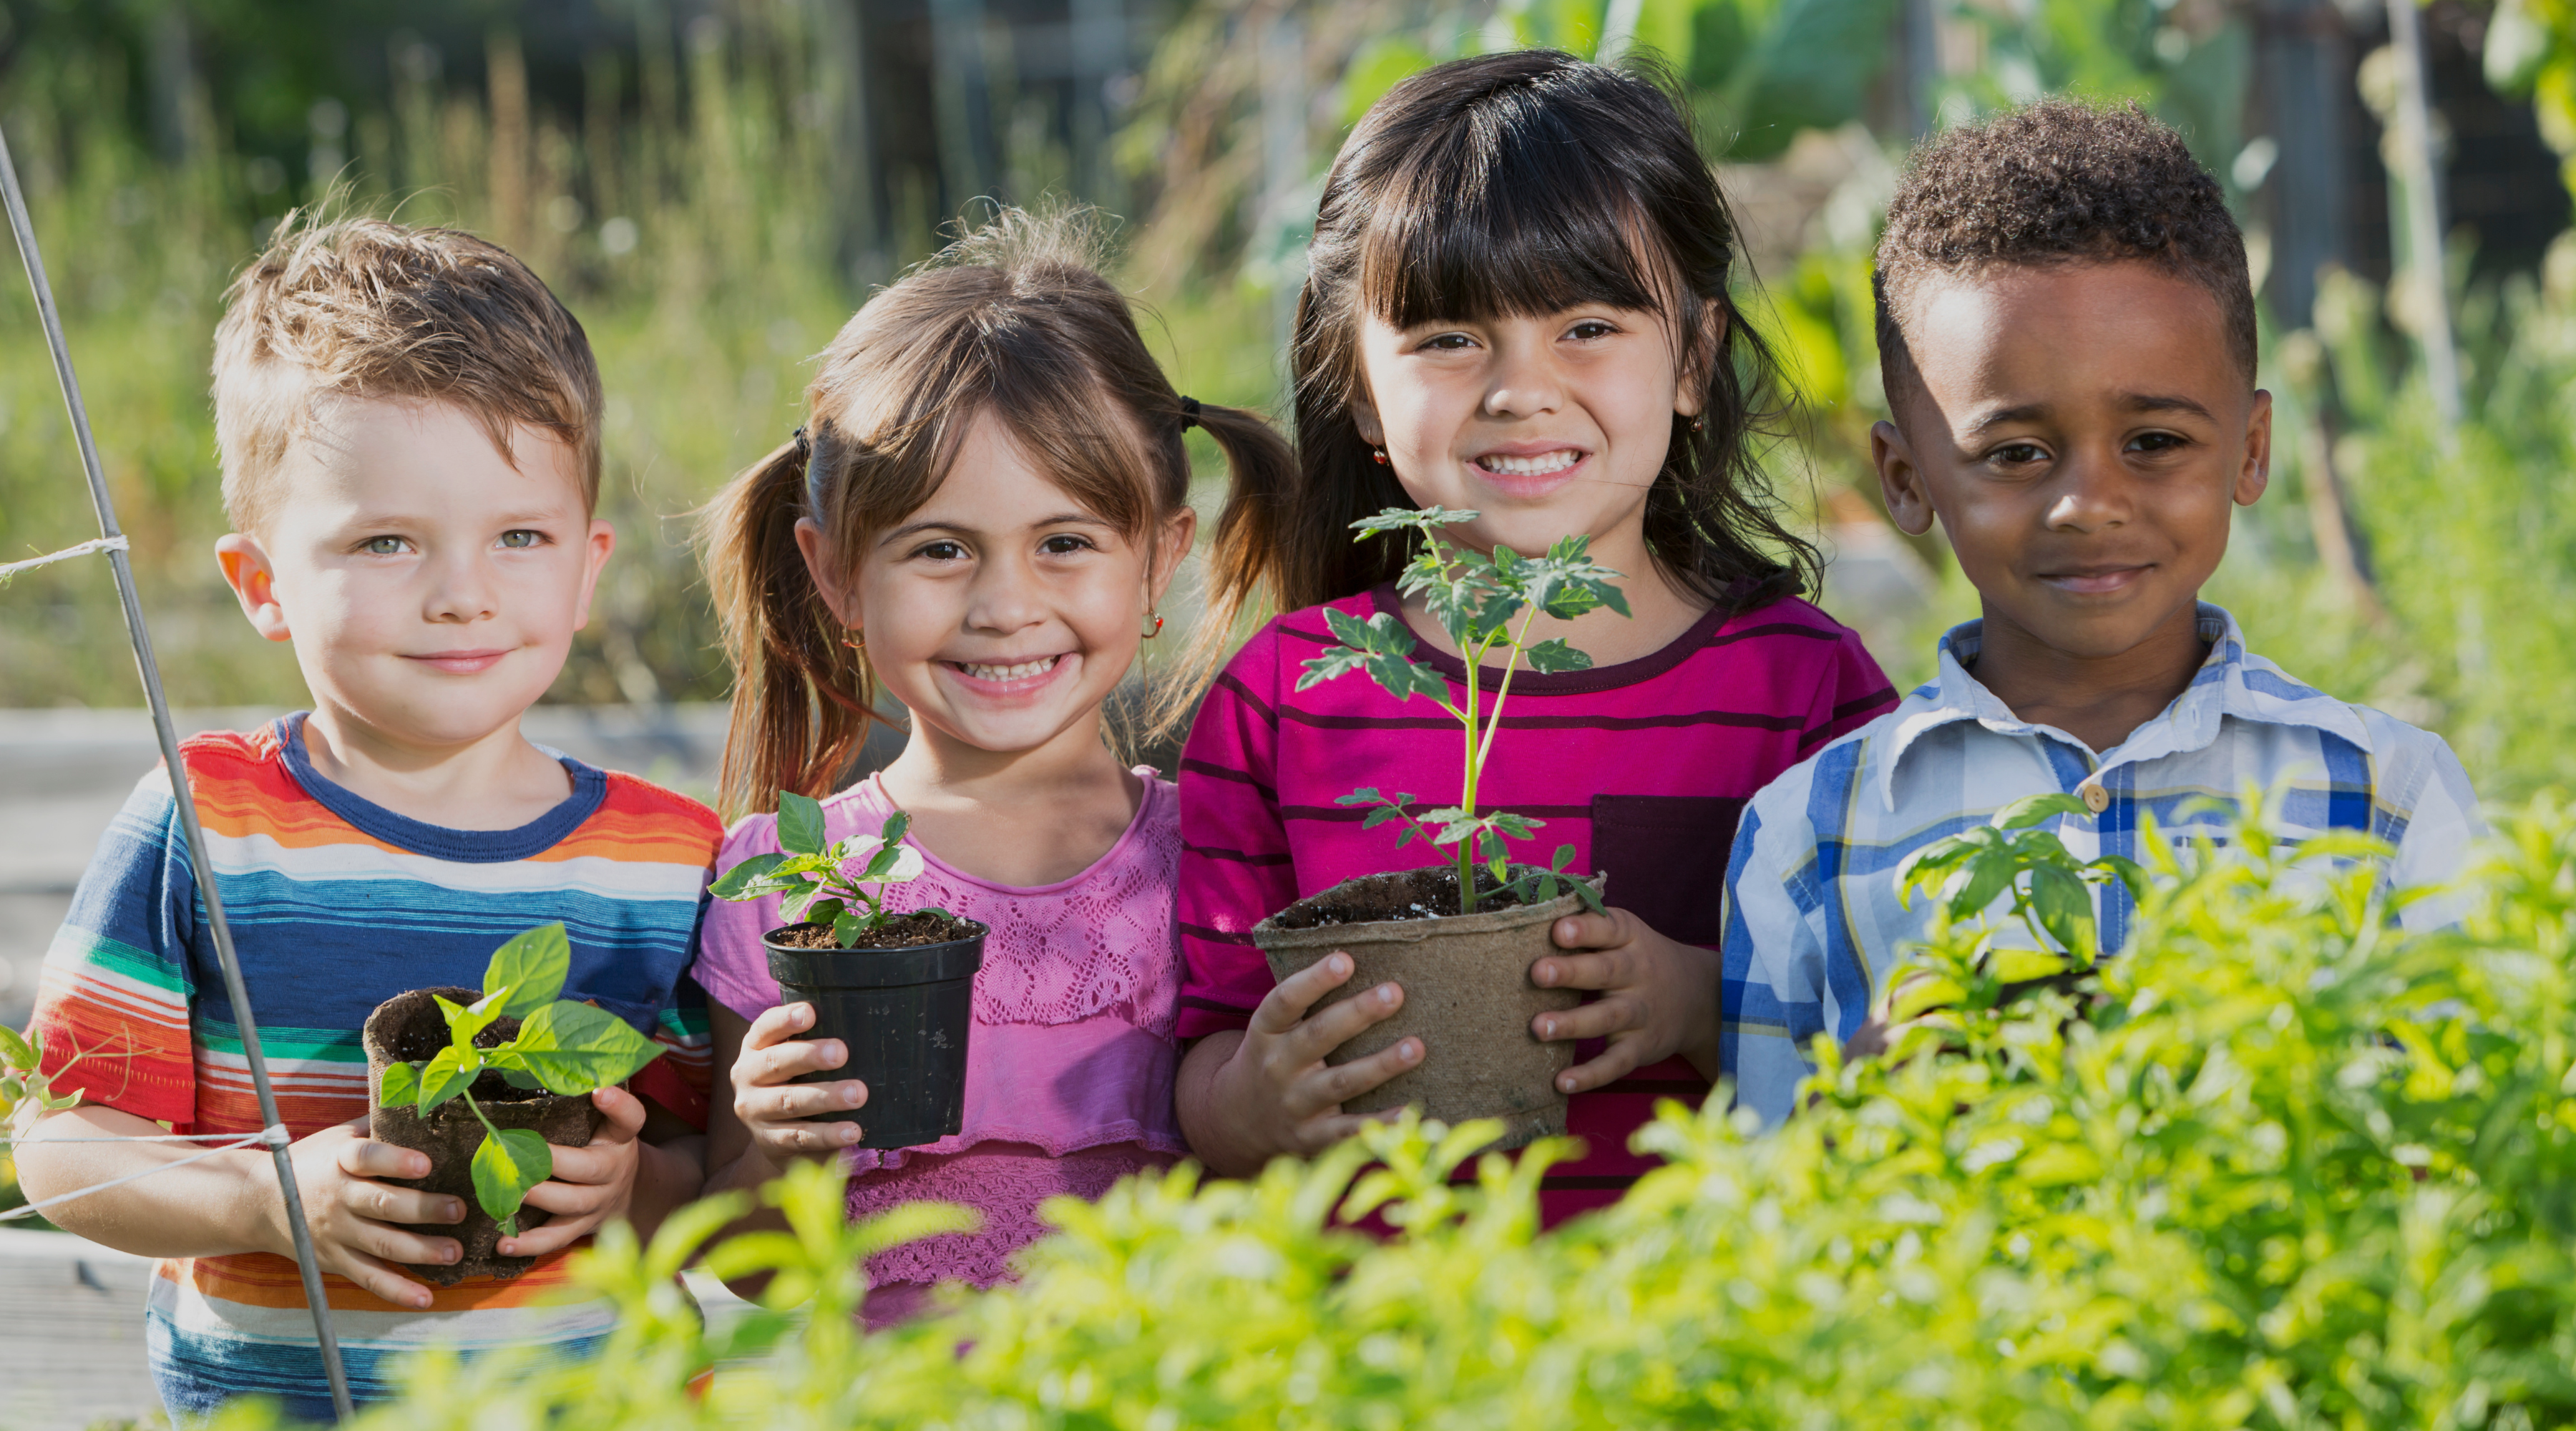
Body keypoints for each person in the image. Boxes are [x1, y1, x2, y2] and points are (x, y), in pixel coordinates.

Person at [1172, 51, 1897, 1225]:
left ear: (1696, 360)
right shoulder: (1285, 698)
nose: (1520, 389)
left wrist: (1702, 1002)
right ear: (1357, 384)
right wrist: (1252, 1106)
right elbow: (1195, 1060)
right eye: (1450, 338)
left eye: (1588, 326)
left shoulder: (1803, 691)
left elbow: (1885, 1051)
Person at [16, 215, 718, 1420]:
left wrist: (631, 1185)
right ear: (262, 584)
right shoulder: (209, 823)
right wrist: (265, 1201)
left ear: (589, 567)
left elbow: (719, 1173)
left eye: (520, 538)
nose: (462, 594)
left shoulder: (662, 859)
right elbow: (66, 1150)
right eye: (386, 541)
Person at [1718, 101, 2484, 1128]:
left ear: (2252, 450)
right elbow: (1758, 1226)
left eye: (2156, 441)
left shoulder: (2389, 798)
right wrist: (1856, 1115)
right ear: (1907, 479)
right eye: (2015, 454)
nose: (2089, 502)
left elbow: (2480, 1146)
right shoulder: (1811, 834)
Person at [691, 210, 1297, 1327]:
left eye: (1066, 542)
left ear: (1163, 557)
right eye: (939, 548)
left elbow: (1286, 1215)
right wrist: (783, 1154)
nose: (1006, 606)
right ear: (834, 577)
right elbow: (753, 1265)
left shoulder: (1225, 856)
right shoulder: (779, 884)